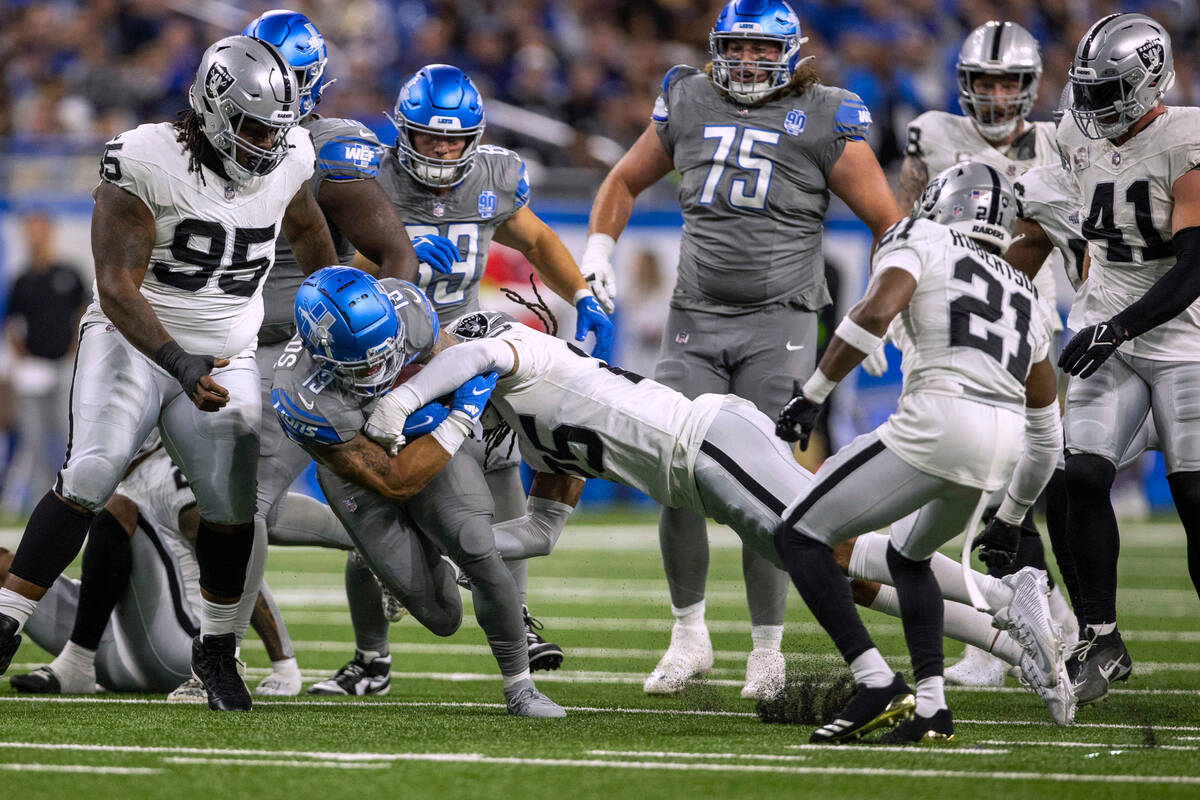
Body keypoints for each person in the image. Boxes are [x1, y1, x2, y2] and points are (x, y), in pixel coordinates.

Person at [361, 258, 1066, 731]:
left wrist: (404, 400)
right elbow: (541, 533)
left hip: (711, 445)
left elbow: (476, 350)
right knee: (846, 570)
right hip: (703, 470)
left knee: (841, 551)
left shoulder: (507, 347)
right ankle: (1010, 638)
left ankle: (1012, 598)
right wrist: (459, 553)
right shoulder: (529, 421)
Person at [0, 35, 339, 714]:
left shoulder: (290, 156)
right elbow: (117, 285)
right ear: (212, 109)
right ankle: (6, 627)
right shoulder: (145, 159)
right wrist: (177, 363)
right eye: (249, 126)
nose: (265, 143)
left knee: (229, 508)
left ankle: (216, 652)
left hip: (226, 352)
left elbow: (306, 229)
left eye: (276, 128)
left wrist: (328, 296)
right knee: (94, 472)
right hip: (133, 339)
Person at [582, 0, 902, 700]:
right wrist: (600, 248)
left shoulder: (826, 113)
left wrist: (878, 316)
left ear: (790, 52)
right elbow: (622, 180)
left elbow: (887, 221)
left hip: (780, 321)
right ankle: (689, 635)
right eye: (737, 47)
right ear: (718, 47)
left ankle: (767, 650)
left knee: (767, 489)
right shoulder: (688, 98)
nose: (748, 61)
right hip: (694, 316)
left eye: (762, 49)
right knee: (675, 474)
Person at [316, 62, 613, 687]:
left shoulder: (492, 175)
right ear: (404, 132)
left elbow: (533, 239)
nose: (444, 149)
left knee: (504, 480)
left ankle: (517, 616)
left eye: (455, 138)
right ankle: (371, 658)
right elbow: (335, 276)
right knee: (377, 512)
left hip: (466, 344)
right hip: (385, 356)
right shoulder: (368, 177)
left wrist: (582, 293)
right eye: (430, 137)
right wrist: (388, 261)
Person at [163, 8, 426, 704]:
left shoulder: (327, 152)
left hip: (300, 355)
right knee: (219, 510)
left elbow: (396, 254)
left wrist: (369, 352)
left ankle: (218, 662)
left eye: (298, 78)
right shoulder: (207, 145)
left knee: (233, 508)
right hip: (233, 352)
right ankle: (376, 547)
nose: (281, 91)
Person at [772, 162, 1065, 743]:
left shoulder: (920, 235)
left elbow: (876, 312)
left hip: (937, 420)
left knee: (798, 535)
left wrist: (812, 395)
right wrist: (1010, 516)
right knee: (910, 560)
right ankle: (932, 707)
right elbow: (1048, 431)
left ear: (943, 202)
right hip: (1001, 448)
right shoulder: (1026, 290)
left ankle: (875, 679)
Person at [271, 268, 567, 718]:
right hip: (362, 472)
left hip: (423, 434)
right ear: (325, 360)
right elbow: (396, 480)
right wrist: (459, 419)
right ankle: (382, 563)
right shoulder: (301, 395)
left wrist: (455, 405)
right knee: (443, 617)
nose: (379, 368)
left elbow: (454, 365)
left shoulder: (408, 308)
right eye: (363, 365)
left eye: (384, 354)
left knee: (477, 547)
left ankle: (520, 688)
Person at [895, 20, 1075, 687]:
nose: (997, 96)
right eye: (985, 82)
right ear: (964, 84)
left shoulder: (1059, 142)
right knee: (978, 479)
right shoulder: (934, 134)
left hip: (1030, 318)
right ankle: (1032, 622)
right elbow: (907, 219)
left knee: (1022, 480)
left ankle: (1047, 620)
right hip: (956, 319)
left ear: (1029, 86)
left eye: (1008, 82)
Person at [1054, 12, 1200, 705]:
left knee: (1195, 497)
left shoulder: (1189, 138)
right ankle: (1100, 637)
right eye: (1088, 89)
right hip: (1106, 323)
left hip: (1183, 337)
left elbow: (1193, 269)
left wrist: (1118, 327)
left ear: (1148, 82)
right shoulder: (1072, 137)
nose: (1093, 105)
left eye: (1109, 89)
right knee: (1077, 474)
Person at [5, 440, 301, 695]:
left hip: (180, 653)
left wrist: (283, 662)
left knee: (118, 508)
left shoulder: (167, 474)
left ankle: (78, 660)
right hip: (115, 648)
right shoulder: (123, 475)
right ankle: (77, 662)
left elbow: (237, 564)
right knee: (5, 564)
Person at [1, 212, 87, 515]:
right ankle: (42, 506)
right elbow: (12, 322)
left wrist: (74, 350)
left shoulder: (69, 273)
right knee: (34, 440)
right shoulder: (22, 279)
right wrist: (21, 357)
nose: (33, 236)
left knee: (68, 435)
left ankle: (74, 500)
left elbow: (84, 311)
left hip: (64, 367)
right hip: (32, 370)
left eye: (38, 230)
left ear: (49, 232)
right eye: (29, 231)